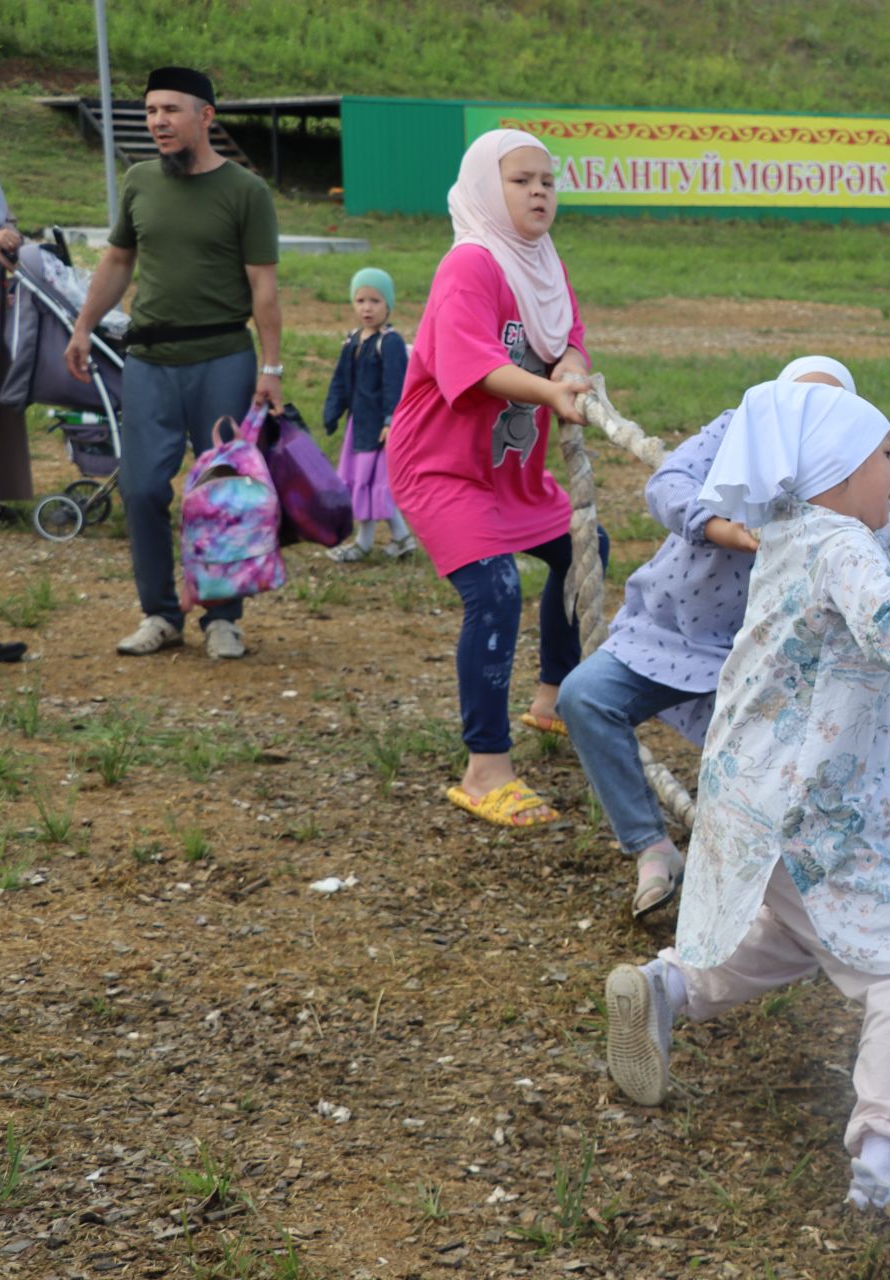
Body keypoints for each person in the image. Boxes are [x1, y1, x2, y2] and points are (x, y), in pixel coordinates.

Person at [602, 380, 890, 1210]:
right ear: (840, 470)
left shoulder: (792, 526)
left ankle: (670, 988)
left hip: (752, 794)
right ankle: (888, 1162)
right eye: (885, 457)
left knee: (801, 933)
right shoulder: (844, 548)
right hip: (815, 806)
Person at [556, 354, 856, 920]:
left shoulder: (848, 468)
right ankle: (652, 847)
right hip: (668, 626)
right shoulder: (738, 428)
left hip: (756, 652)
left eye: (828, 407)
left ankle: (774, 895)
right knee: (585, 697)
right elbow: (667, 483)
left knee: (769, 765)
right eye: (798, 400)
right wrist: (721, 527)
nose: (808, 415)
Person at [385, 129, 600, 829]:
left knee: (582, 552)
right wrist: (550, 393)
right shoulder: (469, 266)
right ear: (485, 189)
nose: (540, 191)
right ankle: (485, 770)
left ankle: (555, 698)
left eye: (547, 180)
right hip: (444, 467)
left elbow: (566, 332)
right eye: (521, 180)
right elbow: (474, 367)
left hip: (509, 468)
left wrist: (569, 367)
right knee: (496, 592)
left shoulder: (542, 259)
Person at [62, 67, 283, 660]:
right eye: (151, 110)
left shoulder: (245, 191)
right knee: (139, 489)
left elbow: (263, 286)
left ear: (205, 116)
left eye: (171, 110)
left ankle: (222, 618)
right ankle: (160, 614)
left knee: (223, 493)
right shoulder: (138, 182)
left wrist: (272, 367)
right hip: (150, 360)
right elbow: (116, 261)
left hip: (223, 358)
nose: (158, 120)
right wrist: (83, 326)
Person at [321, 266, 415, 561]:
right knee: (366, 482)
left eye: (375, 301)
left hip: (380, 429)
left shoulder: (390, 342)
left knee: (372, 482)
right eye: (361, 301)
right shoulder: (352, 340)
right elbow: (340, 380)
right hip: (358, 425)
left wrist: (391, 421)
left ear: (388, 304)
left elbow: (395, 385)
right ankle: (402, 538)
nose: (367, 308)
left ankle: (365, 542)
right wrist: (332, 411)